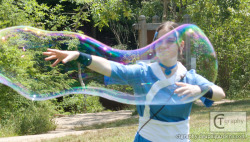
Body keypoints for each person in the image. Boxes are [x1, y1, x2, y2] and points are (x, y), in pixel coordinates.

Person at [43, 21, 225, 142]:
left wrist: (200, 90)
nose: (163, 45)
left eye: (169, 41)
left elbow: (220, 93)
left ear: (181, 46)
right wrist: (79, 56)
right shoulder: (143, 72)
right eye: (159, 40)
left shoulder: (191, 77)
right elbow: (110, 67)